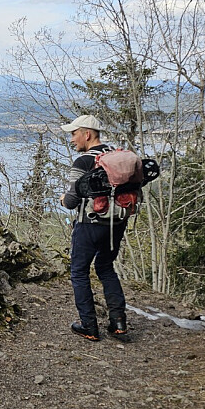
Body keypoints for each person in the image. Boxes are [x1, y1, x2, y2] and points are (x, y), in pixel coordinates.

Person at [58, 114, 129, 341]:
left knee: (79, 272)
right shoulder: (114, 155)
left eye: (74, 134)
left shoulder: (83, 162)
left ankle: (89, 326)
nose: (72, 139)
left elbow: (71, 201)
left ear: (87, 134)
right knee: (105, 267)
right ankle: (118, 322)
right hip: (116, 223)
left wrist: (63, 199)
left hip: (89, 224)